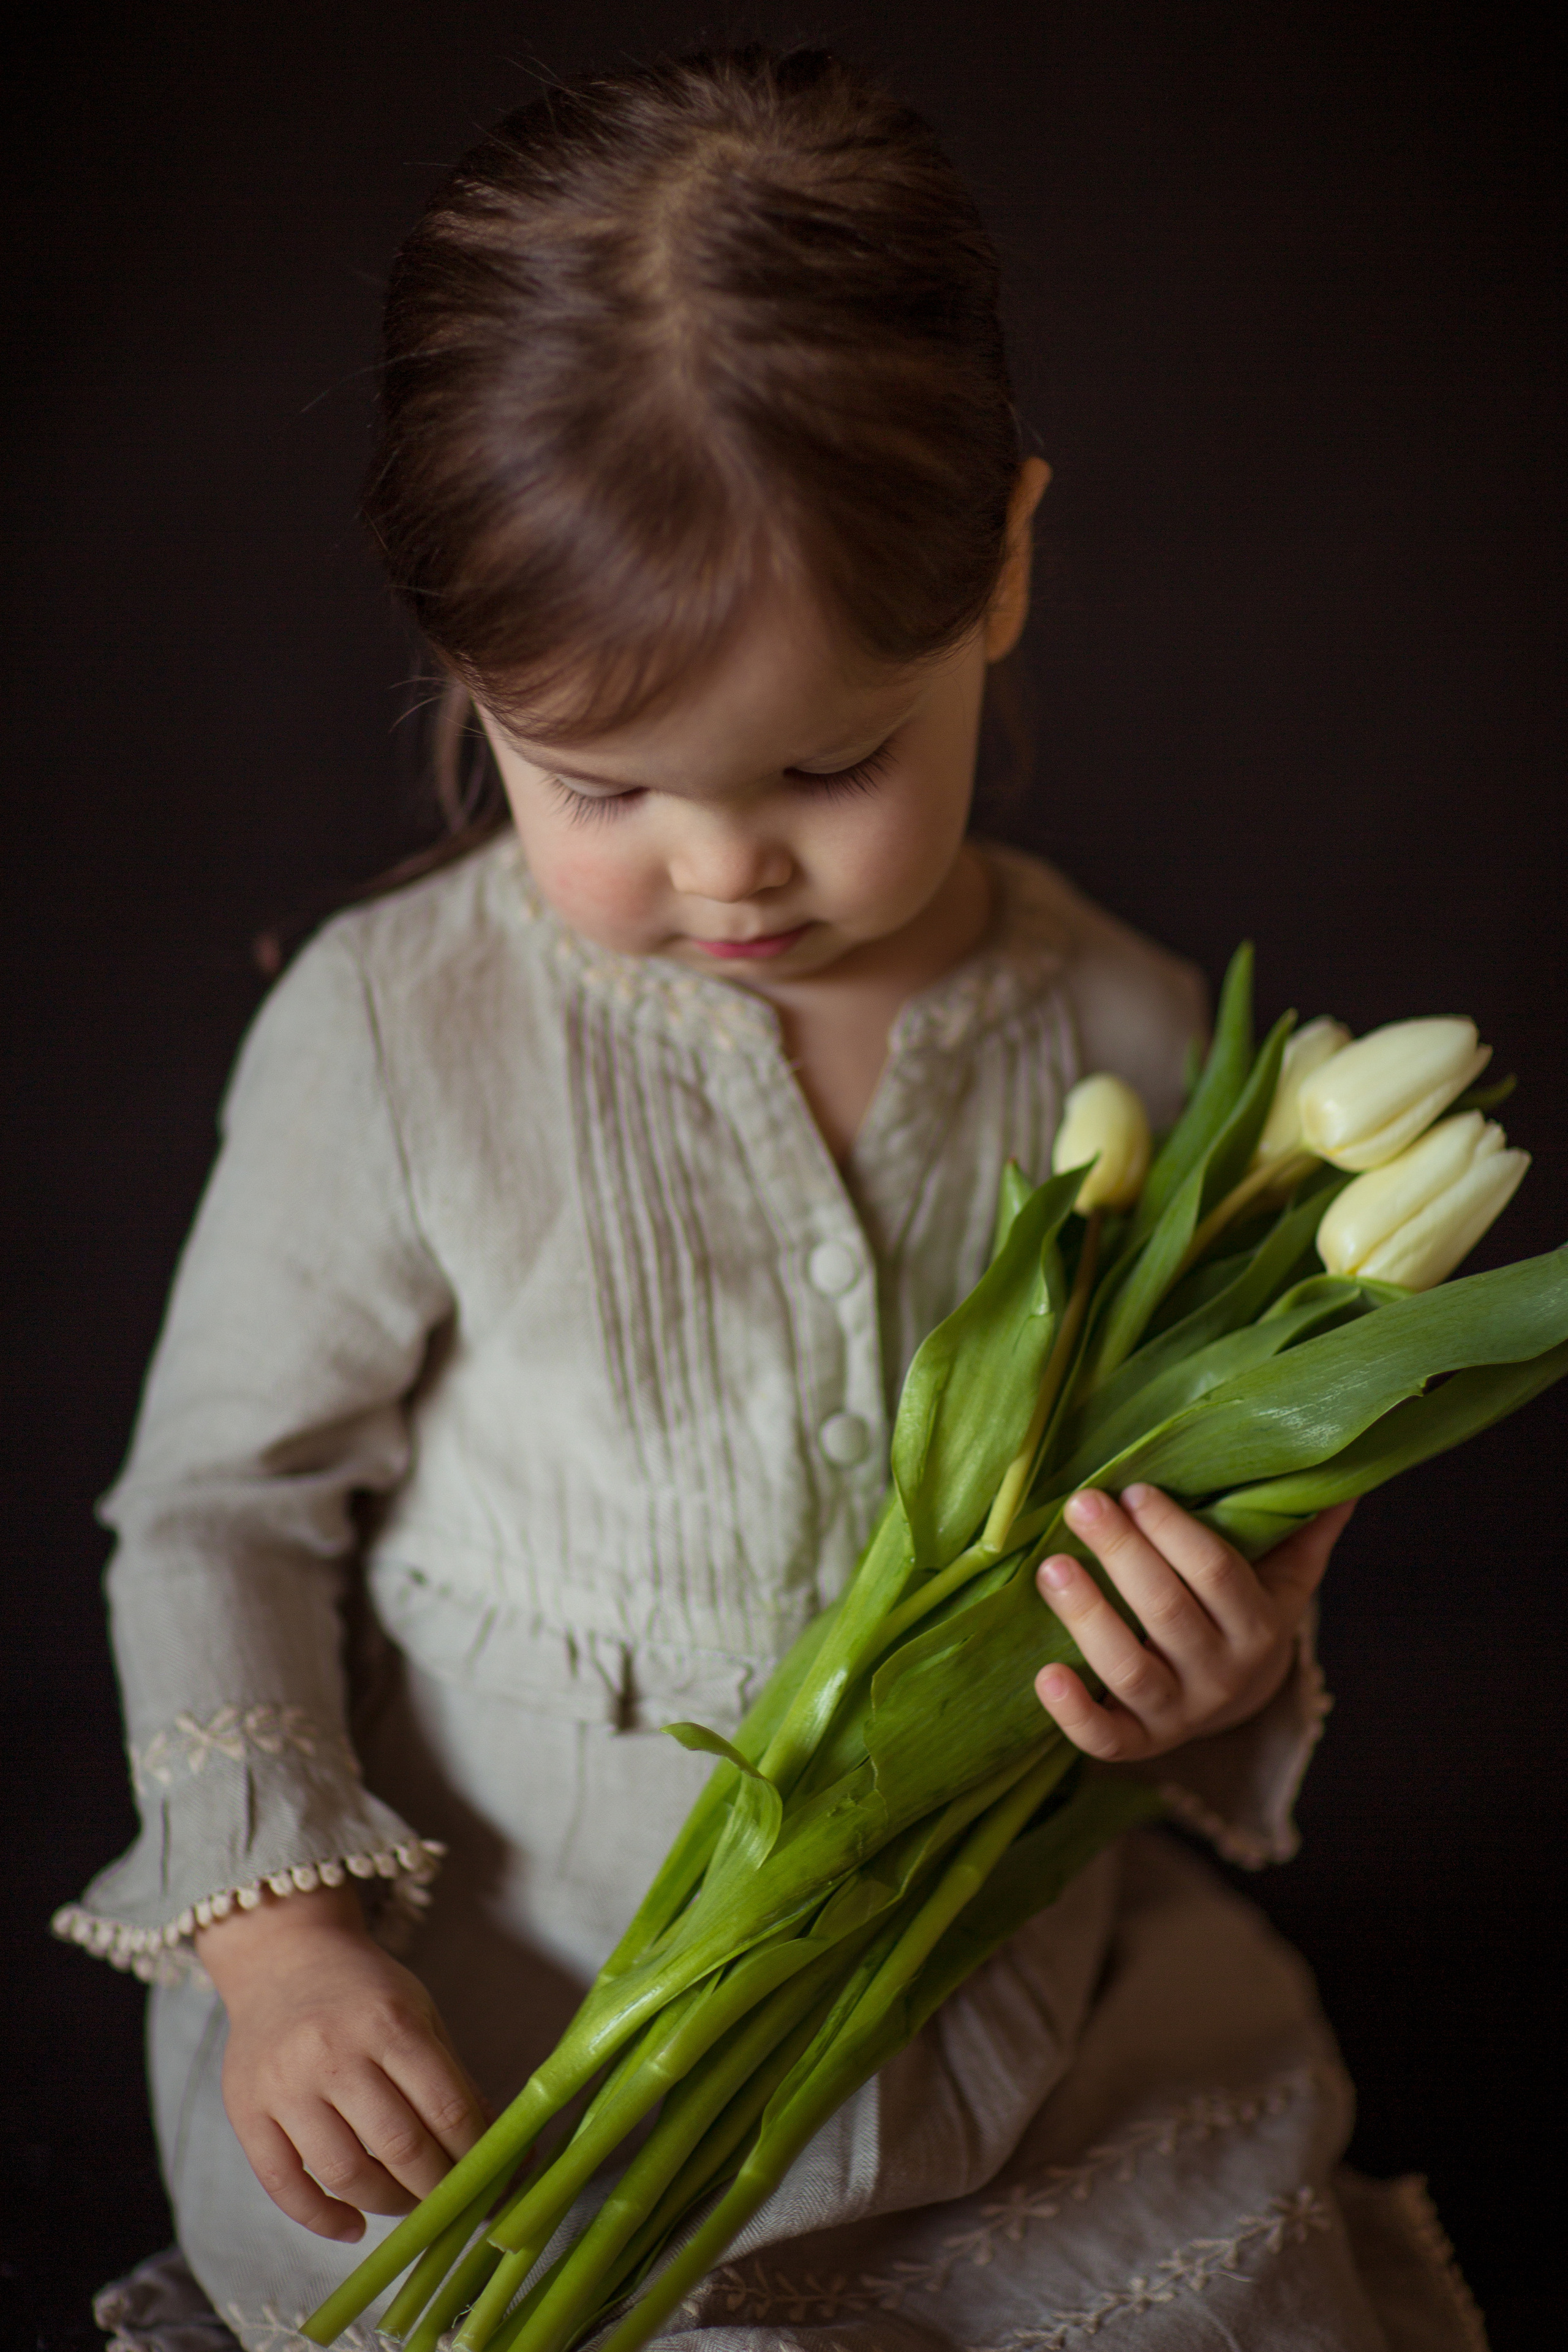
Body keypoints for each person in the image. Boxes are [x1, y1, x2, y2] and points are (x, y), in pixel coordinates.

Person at [66, 49, 1486, 2352]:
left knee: (1224, 2281)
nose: (726, 868)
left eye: (834, 763)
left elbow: (1165, 1577)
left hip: (978, 2028)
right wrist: (285, 1945)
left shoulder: (1135, 1051)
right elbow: (218, 1509)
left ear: (1007, 563)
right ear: (464, 672)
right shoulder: (398, 1031)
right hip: (512, 2047)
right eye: (598, 780)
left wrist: (1202, 1674)